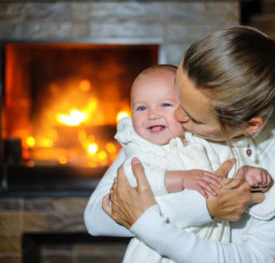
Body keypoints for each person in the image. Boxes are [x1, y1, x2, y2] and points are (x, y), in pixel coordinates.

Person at [85, 26, 275, 262]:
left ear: (250, 126)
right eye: (177, 98)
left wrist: (150, 222)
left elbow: (258, 259)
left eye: (194, 117)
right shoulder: (159, 136)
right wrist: (202, 207)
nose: (176, 117)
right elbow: (96, 218)